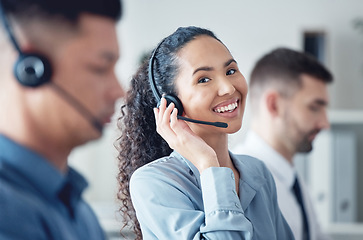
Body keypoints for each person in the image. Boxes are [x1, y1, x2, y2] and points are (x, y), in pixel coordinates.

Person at [117, 26, 294, 240]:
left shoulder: (257, 173)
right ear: (171, 104)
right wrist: (208, 164)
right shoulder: (154, 183)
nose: (228, 88)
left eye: (230, 71)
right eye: (203, 79)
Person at [0, 0, 124, 239]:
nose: (119, 90)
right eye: (100, 67)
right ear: (31, 70)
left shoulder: (77, 209)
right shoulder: (8, 215)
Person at [232, 47, 333, 240]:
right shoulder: (240, 184)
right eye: (314, 107)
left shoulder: (294, 181)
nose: (325, 124)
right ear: (274, 105)